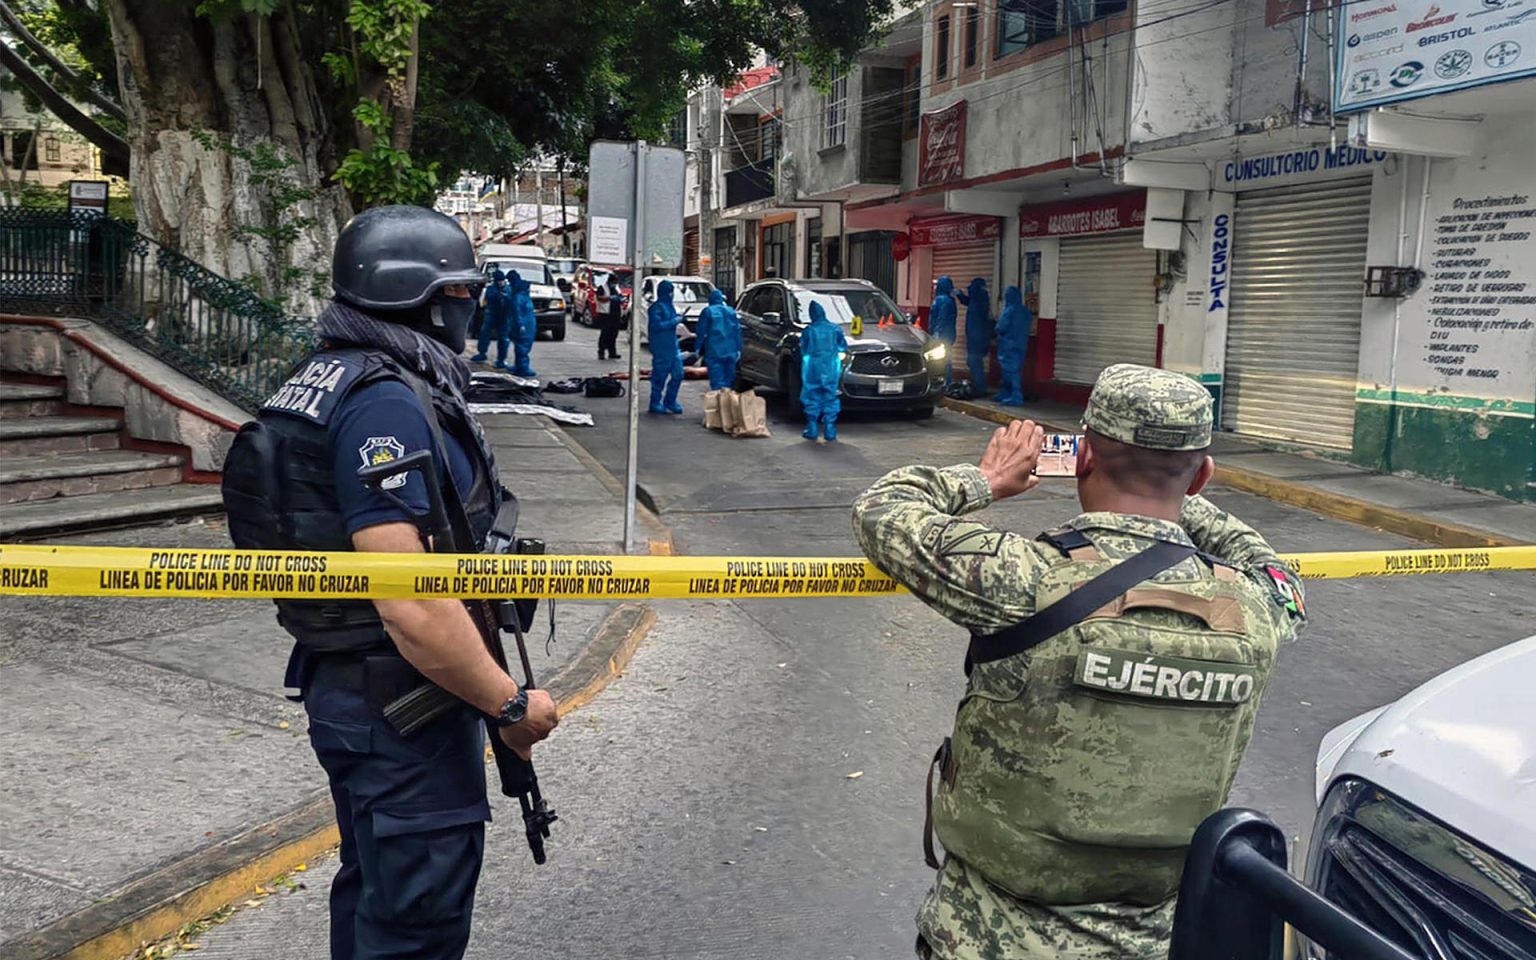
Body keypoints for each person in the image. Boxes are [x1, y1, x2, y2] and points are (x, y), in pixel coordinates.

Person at [851, 363, 1306, 960]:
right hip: (1153, 942)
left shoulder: (1025, 577)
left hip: (988, 939)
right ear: (1203, 477)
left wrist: (987, 479)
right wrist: (1172, 491)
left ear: (1082, 456)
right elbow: (1269, 563)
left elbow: (883, 509)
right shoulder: (1258, 606)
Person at [220, 205, 560, 960]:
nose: (469, 308)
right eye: (461, 294)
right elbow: (406, 597)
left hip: (361, 690)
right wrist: (507, 704)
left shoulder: (330, 375)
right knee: (414, 924)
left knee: (374, 895)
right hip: (400, 701)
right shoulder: (384, 401)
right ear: (426, 299)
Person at [799, 300, 848, 443]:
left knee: (811, 394)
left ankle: (812, 428)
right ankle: (830, 429)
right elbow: (842, 346)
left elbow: (804, 349)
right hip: (831, 365)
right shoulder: (835, 329)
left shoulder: (809, 330)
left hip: (812, 366)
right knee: (830, 394)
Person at [647, 278, 685, 414]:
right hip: (661, 347)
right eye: (670, 292)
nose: (671, 294)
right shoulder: (656, 308)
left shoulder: (670, 306)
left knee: (678, 374)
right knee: (659, 376)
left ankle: (670, 400)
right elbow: (657, 326)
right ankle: (655, 402)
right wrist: (675, 321)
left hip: (672, 346)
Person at [695, 289, 742, 390]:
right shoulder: (731, 311)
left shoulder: (708, 311)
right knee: (728, 378)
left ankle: (718, 400)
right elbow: (737, 331)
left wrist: (697, 347)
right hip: (731, 349)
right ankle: (726, 400)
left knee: (716, 378)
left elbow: (701, 331)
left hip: (714, 349)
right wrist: (739, 349)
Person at [953, 277, 993, 398]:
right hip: (978, 337)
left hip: (977, 338)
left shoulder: (978, 304)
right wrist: (959, 295)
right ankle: (979, 386)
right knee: (975, 362)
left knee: (974, 361)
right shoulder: (981, 299)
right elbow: (968, 301)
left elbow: (979, 321)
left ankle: (980, 387)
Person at [992, 285, 1030, 406]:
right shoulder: (1025, 311)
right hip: (1021, 345)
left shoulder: (1009, 311)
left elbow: (1000, 327)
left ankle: (1015, 395)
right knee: (1015, 370)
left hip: (1008, 346)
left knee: (1009, 372)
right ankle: (1006, 393)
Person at [470, 269, 513, 366]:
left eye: (502, 280)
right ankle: (482, 353)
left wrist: (505, 297)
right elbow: (488, 298)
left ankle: (501, 359)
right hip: (492, 314)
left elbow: (511, 301)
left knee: (503, 338)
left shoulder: (508, 289)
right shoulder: (491, 289)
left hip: (504, 316)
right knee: (485, 333)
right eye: (499, 280)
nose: (500, 282)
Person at [507, 270, 538, 377]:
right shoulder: (521, 297)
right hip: (525, 325)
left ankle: (520, 366)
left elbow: (516, 312)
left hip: (524, 324)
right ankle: (522, 368)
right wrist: (521, 324)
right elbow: (518, 312)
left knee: (521, 347)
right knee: (522, 347)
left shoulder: (517, 296)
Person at [928, 276, 957, 384]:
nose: (934, 287)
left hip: (943, 335)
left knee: (942, 360)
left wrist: (936, 334)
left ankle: (945, 382)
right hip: (947, 334)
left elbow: (942, 319)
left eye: (936, 285)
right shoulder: (948, 300)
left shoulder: (942, 300)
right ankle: (945, 382)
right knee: (945, 359)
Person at [596, 273, 624, 361]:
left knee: (613, 334)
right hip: (605, 314)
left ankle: (612, 352)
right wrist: (609, 298)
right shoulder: (602, 288)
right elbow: (599, 298)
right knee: (605, 333)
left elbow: (620, 297)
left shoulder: (616, 289)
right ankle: (601, 352)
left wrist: (621, 299)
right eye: (614, 282)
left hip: (615, 314)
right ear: (610, 281)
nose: (615, 284)